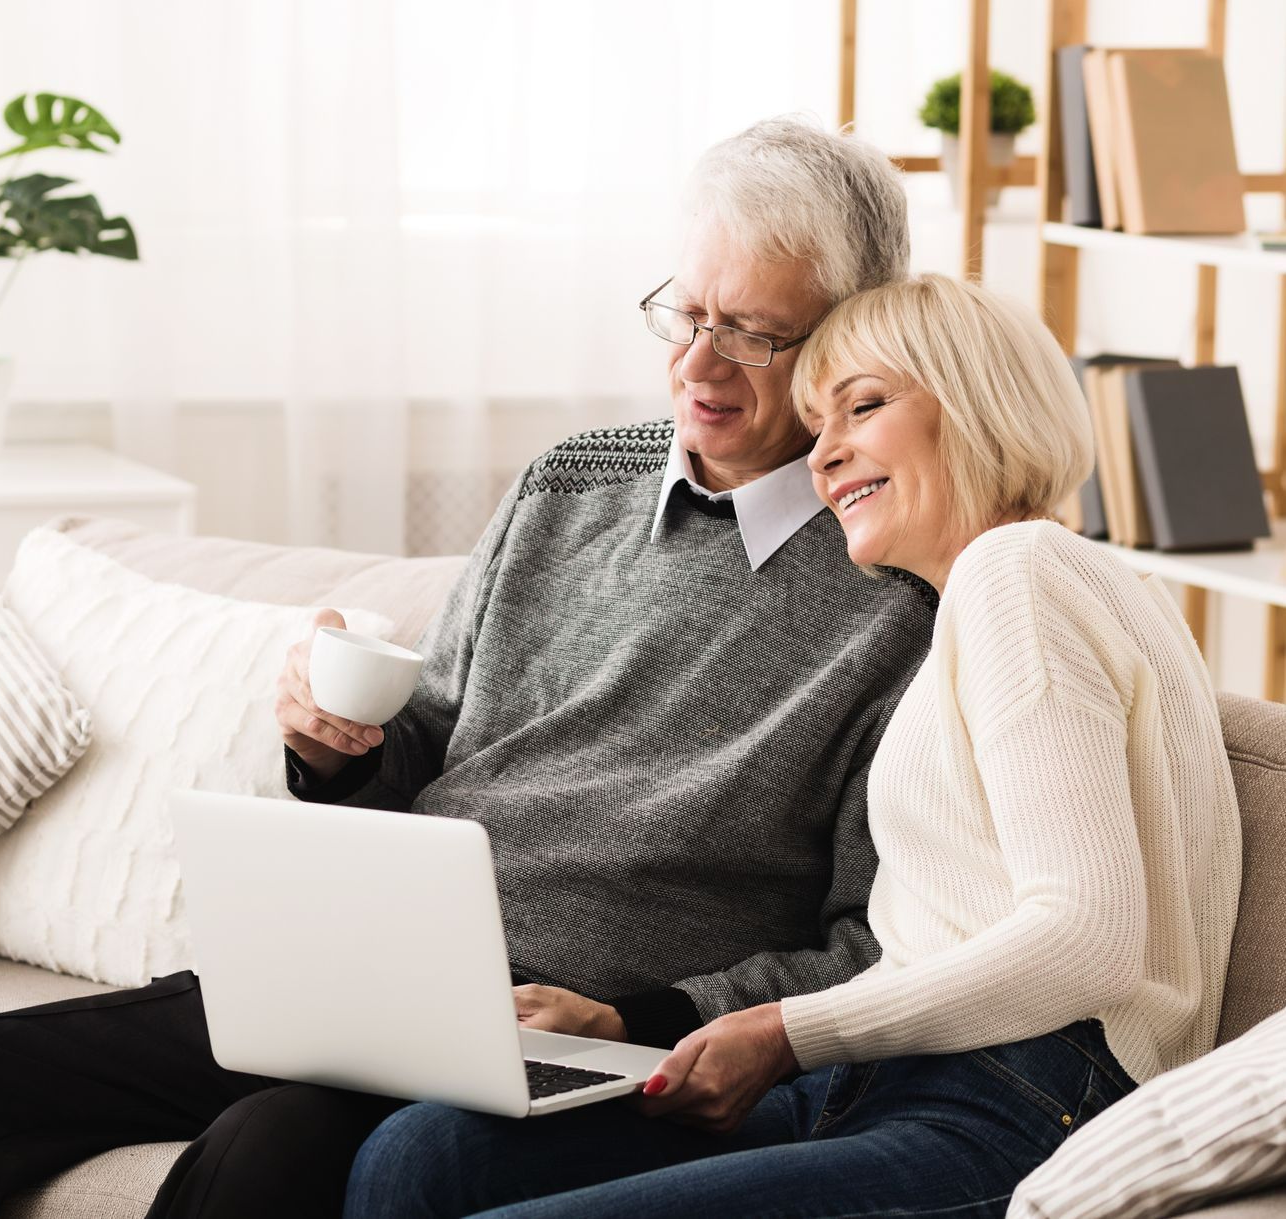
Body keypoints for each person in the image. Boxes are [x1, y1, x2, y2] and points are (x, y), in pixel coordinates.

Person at [0, 118, 937, 1219]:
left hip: (569, 1028)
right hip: (364, 970)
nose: (698, 367)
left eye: (752, 334)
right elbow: (428, 741)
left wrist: (642, 1019)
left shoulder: (900, 585)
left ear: (849, 340)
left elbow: (873, 941)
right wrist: (337, 750)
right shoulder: (570, 482)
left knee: (265, 1155)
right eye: (685, 314)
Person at [342, 272, 1245, 1219]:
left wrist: (784, 1030)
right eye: (818, 426)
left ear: (978, 401)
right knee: (425, 1154)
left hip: (1018, 1097)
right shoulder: (1002, 597)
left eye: (863, 406)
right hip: (894, 1073)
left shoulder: (1016, 569)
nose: (824, 456)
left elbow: (1089, 940)